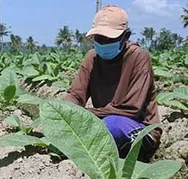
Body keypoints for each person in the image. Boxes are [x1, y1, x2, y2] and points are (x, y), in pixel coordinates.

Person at [64, 4, 162, 163]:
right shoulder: (92, 58)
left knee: (111, 125)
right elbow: (75, 95)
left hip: (140, 128)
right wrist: (65, 114)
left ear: (126, 36)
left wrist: (87, 115)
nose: (103, 43)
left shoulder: (139, 58)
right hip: (102, 123)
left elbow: (132, 109)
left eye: (110, 38)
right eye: (99, 38)